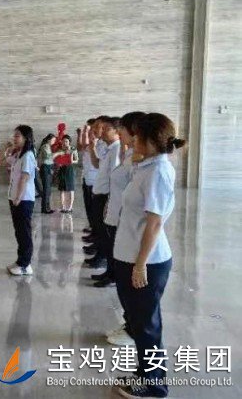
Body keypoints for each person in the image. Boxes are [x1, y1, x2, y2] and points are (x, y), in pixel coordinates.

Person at [113, 113, 185, 399]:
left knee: (146, 326)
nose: (132, 140)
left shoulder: (158, 172)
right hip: (130, 255)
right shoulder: (147, 166)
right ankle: (145, 373)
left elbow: (154, 223)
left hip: (146, 261)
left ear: (150, 139)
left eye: (136, 135)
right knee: (139, 322)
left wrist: (140, 264)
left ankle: (154, 384)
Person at [94, 112, 146, 295]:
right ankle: (111, 272)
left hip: (121, 212)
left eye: (120, 129)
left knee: (114, 246)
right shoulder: (128, 154)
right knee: (110, 244)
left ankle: (114, 275)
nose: (118, 132)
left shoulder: (138, 159)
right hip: (114, 207)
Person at [84, 116, 120, 268]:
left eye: (106, 128)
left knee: (105, 232)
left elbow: (114, 177)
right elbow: (98, 165)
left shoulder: (117, 149)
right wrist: (92, 147)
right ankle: (100, 254)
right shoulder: (109, 148)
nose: (102, 131)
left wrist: (109, 200)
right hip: (99, 193)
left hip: (105, 196)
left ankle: (105, 261)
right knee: (99, 229)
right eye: (102, 128)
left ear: (117, 131)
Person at [5, 125, 37, 276]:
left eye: (17, 136)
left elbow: (25, 177)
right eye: (14, 135)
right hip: (15, 197)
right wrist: (8, 149)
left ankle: (25, 265)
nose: (14, 138)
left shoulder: (28, 155)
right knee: (19, 232)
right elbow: (3, 161)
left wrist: (18, 197)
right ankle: (20, 261)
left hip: (23, 199)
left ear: (26, 138)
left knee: (24, 232)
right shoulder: (19, 155)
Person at [78, 119, 98, 236]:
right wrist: (82, 133)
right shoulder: (89, 145)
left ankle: (95, 230)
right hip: (87, 178)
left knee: (95, 209)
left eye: (91, 130)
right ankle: (92, 227)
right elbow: (80, 147)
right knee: (88, 206)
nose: (89, 133)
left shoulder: (99, 145)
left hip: (95, 181)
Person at [53, 135, 79, 213]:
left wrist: (72, 161)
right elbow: (56, 159)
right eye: (63, 141)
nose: (64, 143)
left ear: (69, 142)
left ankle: (70, 207)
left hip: (70, 169)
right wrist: (58, 163)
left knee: (71, 189)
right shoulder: (60, 150)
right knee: (62, 189)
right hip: (62, 170)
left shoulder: (73, 149)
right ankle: (63, 207)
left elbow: (77, 160)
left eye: (66, 141)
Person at [37, 133, 56, 214]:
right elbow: (48, 157)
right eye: (53, 140)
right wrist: (58, 153)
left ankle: (47, 207)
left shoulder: (48, 146)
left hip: (48, 167)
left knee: (48, 189)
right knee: (46, 189)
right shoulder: (45, 146)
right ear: (49, 140)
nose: (54, 141)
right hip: (45, 168)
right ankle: (45, 208)